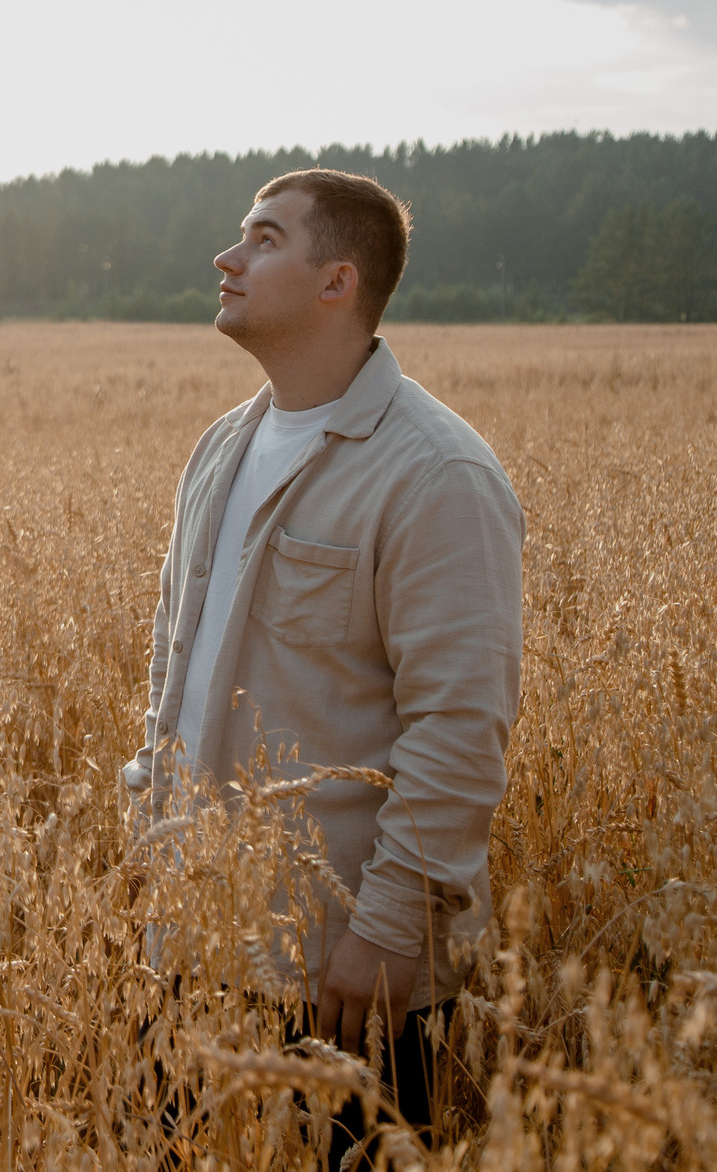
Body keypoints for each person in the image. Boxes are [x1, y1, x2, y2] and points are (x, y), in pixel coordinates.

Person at [122, 168, 523, 1166]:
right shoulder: (222, 446)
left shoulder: (437, 474)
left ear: (336, 281)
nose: (228, 256)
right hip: (194, 941)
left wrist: (388, 928)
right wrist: (147, 842)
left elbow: (459, 727)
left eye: (263, 238)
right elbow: (176, 673)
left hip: (340, 972)